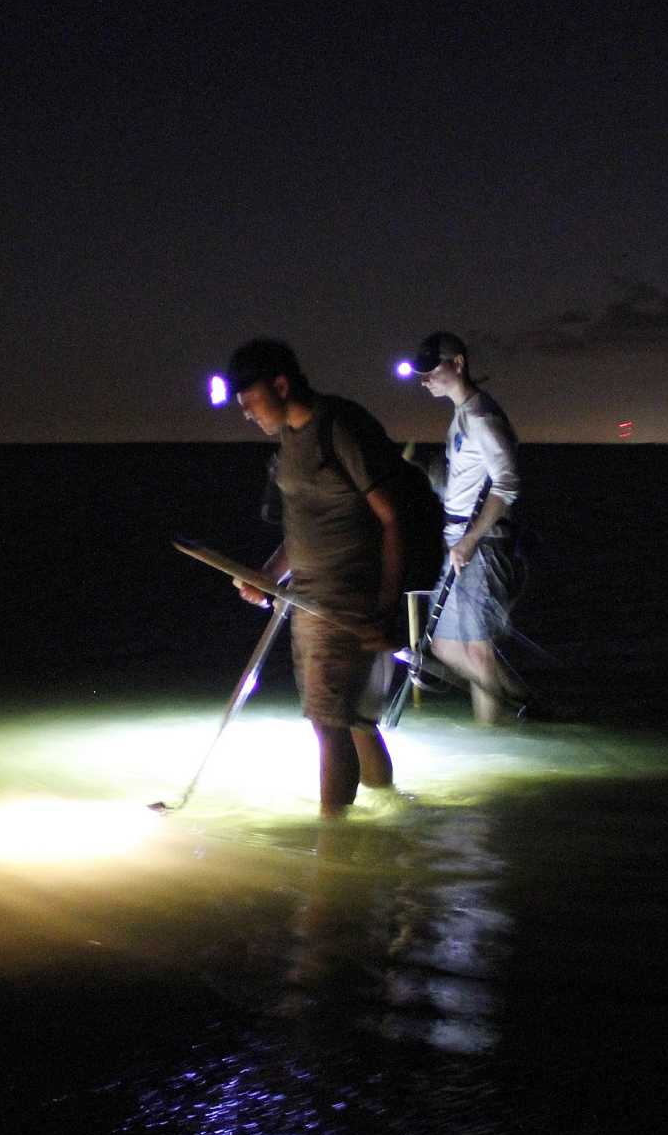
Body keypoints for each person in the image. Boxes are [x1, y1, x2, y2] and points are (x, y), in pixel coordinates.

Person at [222, 338, 440, 816]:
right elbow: (305, 529)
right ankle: (387, 815)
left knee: (328, 724)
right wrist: (266, 575)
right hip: (309, 598)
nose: (245, 413)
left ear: (280, 385)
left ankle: (334, 854)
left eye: (250, 401)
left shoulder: (339, 427)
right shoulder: (289, 440)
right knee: (357, 719)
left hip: (345, 602)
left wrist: (385, 608)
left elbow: (393, 517)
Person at [402, 330, 530, 723]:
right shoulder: (461, 414)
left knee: (477, 650)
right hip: (459, 540)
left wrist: (472, 540)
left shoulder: (480, 416)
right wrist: (422, 474)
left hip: (481, 544)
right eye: (420, 374)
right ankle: (525, 709)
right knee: (443, 646)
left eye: (430, 371)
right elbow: (466, 482)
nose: (424, 380)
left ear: (457, 364)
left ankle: (495, 736)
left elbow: (507, 484)